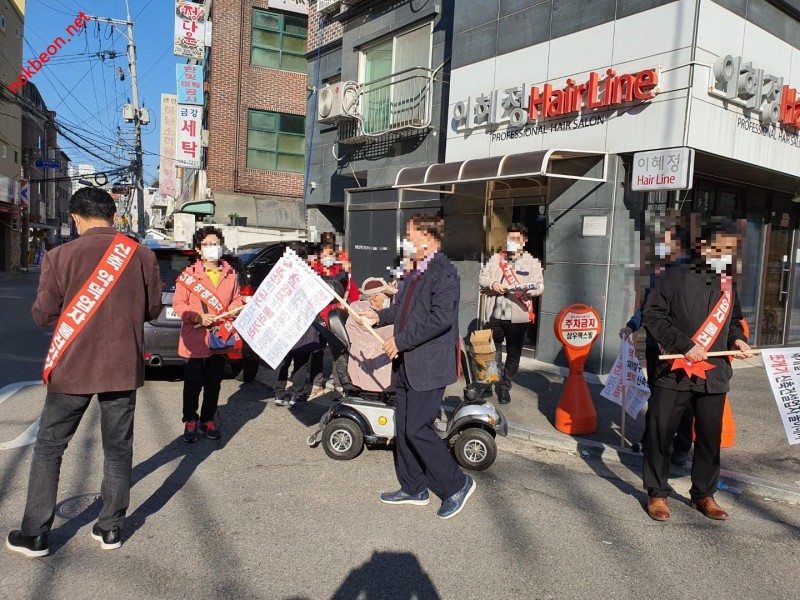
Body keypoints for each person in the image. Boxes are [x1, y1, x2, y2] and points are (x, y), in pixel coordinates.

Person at [6, 187, 162, 557]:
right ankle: (110, 528)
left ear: (75, 218)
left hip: (72, 368)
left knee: (49, 449)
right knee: (118, 450)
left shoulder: (61, 256)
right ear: (112, 216)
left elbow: (43, 315)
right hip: (123, 368)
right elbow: (153, 310)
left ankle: (36, 535)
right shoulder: (141, 256)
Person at [361, 213, 475, 520]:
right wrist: (379, 317)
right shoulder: (416, 270)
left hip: (429, 364)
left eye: (410, 234)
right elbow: (403, 310)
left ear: (428, 238)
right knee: (404, 427)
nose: (406, 240)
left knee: (418, 428)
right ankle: (413, 487)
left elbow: (441, 319)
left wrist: (400, 342)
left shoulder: (444, 272)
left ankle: (457, 484)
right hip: (408, 363)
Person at [642, 218, 752, 522]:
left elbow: (733, 321)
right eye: (720, 247)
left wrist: (739, 340)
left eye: (731, 249)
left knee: (708, 437)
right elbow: (652, 315)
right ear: (703, 246)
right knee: (660, 433)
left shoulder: (728, 282)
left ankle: (703, 494)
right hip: (675, 370)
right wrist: (683, 344)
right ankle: (657, 492)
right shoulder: (673, 274)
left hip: (714, 373)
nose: (725, 254)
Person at [620, 225, 694, 463]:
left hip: (684, 349)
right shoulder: (658, 273)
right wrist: (632, 326)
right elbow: (648, 309)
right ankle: (651, 439)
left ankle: (682, 444)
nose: (661, 247)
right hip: (656, 347)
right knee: (657, 397)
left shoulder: (695, 273)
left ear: (680, 246)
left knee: (685, 399)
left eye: (666, 242)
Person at [173, 227, 243, 443]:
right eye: (207, 244)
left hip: (219, 337)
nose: (212, 248)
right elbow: (178, 304)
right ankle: (190, 420)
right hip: (195, 340)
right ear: (198, 249)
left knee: (214, 383)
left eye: (216, 244)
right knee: (193, 383)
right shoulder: (188, 276)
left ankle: (208, 419)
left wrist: (235, 308)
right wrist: (197, 318)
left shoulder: (230, 274)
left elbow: (236, 299)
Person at [479, 224, 544, 404]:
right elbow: (482, 278)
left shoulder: (532, 262)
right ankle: (488, 383)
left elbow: (539, 286)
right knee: (489, 351)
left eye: (516, 239)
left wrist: (528, 290)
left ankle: (504, 386)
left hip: (519, 316)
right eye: (510, 239)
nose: (512, 243)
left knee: (513, 355)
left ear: (524, 241)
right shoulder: (495, 259)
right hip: (495, 314)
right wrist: (493, 284)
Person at [309, 237, 360, 396]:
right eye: (327, 252)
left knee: (338, 351)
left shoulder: (342, 271)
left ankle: (339, 385)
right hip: (317, 316)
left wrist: (354, 307)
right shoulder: (312, 270)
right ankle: (316, 383)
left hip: (335, 316)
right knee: (316, 350)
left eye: (333, 252)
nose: (329, 255)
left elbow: (353, 293)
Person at [275, 242, 322, 406]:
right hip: (303, 323)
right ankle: (295, 394)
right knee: (300, 362)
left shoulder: (280, 274)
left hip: (286, 323)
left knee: (285, 360)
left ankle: (280, 394)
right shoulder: (310, 274)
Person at [344, 277, 397, 393]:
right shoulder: (363, 312)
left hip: (371, 358)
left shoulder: (364, 308)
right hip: (370, 363)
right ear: (376, 298)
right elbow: (387, 333)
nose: (390, 300)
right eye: (388, 297)